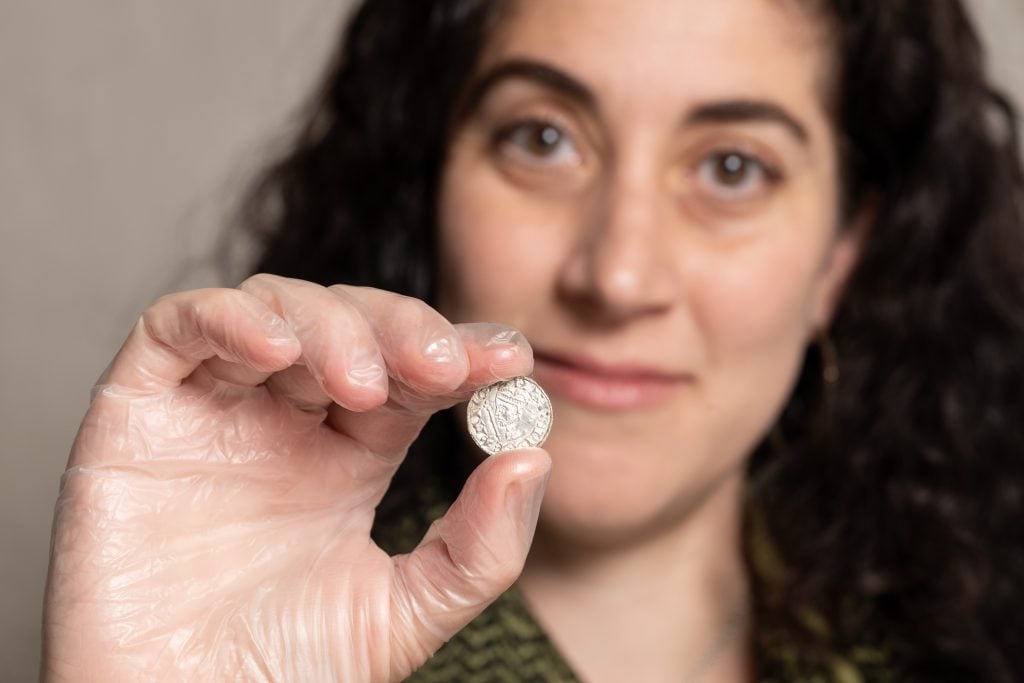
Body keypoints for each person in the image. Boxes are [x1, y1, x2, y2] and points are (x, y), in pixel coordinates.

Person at [42, 0, 1024, 680]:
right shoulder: (255, 636)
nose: (616, 274)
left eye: (732, 166)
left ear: (841, 256)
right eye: (542, 138)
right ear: (426, 185)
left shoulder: (973, 643)